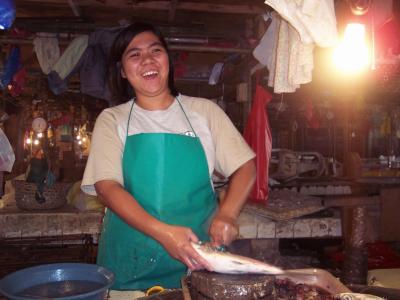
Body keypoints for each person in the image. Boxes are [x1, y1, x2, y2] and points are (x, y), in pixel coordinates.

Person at [81, 22, 256, 290]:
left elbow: (245, 166)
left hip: (198, 259)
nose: (147, 60)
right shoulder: (112, 119)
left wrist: (228, 215)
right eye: (134, 54)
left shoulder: (204, 111)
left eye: (155, 51)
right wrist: (164, 233)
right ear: (123, 71)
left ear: (167, 60)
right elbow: (107, 187)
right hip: (130, 261)